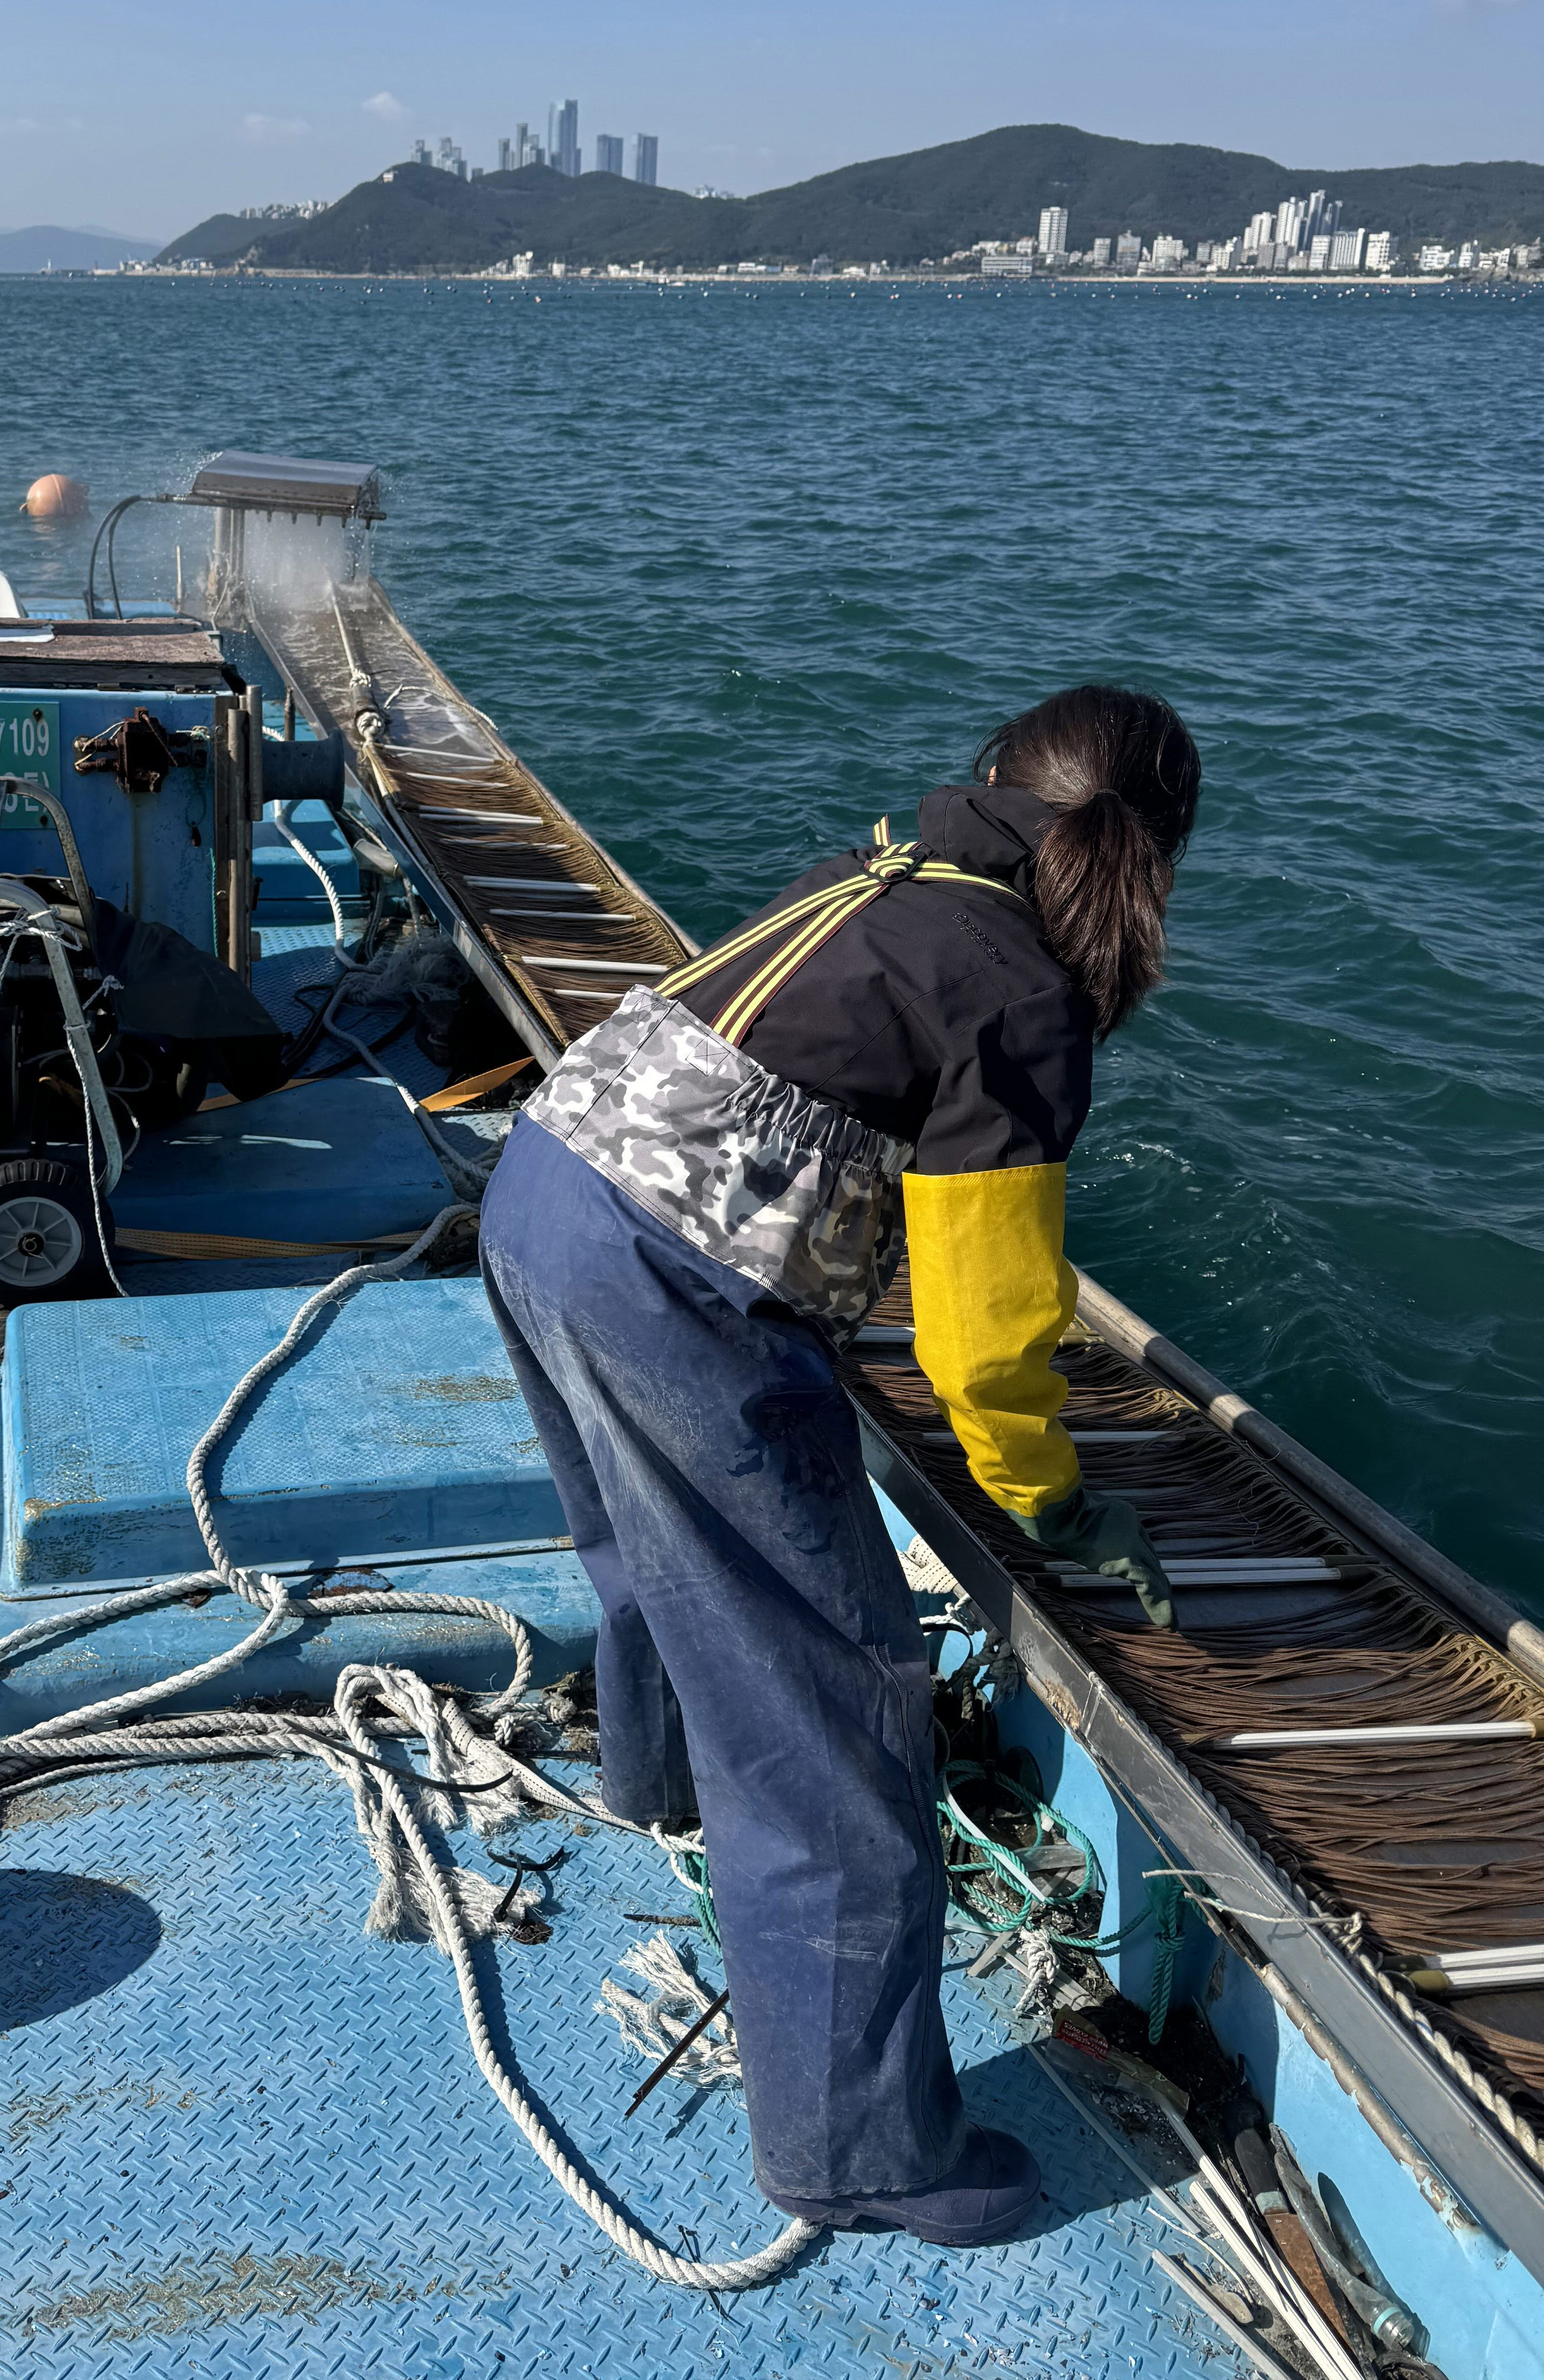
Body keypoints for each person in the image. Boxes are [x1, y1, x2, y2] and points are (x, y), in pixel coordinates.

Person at [477, 684, 1201, 2247]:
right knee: (837, 1706)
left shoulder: (887, 874)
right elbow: (984, 1327)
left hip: (543, 1189)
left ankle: (655, 1780)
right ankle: (857, 2151)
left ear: (991, 784)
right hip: (671, 1283)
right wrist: (1050, 1497)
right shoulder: (1019, 988)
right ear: (1152, 853)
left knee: (653, 1554)